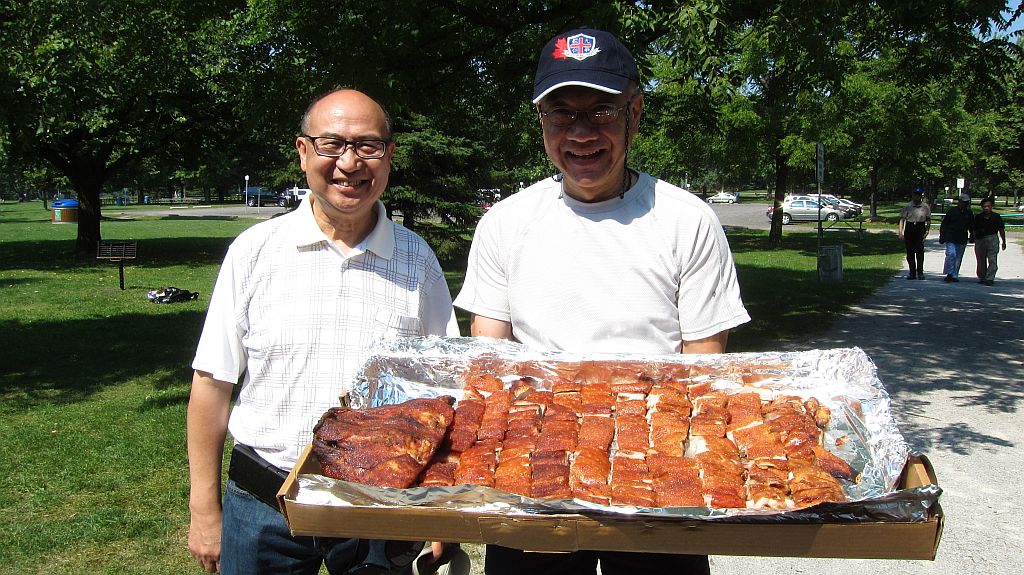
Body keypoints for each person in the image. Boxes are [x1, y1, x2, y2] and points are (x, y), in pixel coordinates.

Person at [454, 28, 750, 575]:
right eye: (561, 114)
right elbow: (491, 360)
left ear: (635, 113)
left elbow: (702, 368)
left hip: (655, 470)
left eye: (601, 111)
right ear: (541, 121)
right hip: (535, 468)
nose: (581, 132)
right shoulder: (505, 223)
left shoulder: (687, 220)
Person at [186, 89, 462, 575]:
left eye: (368, 146)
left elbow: (444, 392)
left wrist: (441, 508)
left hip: (379, 504)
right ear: (303, 151)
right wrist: (204, 509)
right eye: (331, 144)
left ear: (389, 156)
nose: (349, 163)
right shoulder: (253, 253)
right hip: (262, 501)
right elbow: (212, 384)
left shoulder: (418, 261)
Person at [938, 193, 974, 282]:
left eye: (966, 202)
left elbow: (972, 225)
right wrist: (942, 235)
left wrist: (972, 235)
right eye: (963, 202)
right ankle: (949, 273)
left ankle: (955, 274)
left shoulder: (969, 213)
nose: (965, 204)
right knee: (951, 254)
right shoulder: (952, 211)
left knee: (958, 257)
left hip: (962, 237)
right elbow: (944, 224)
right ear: (959, 201)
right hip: (951, 237)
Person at [972, 196, 1007, 286]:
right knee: (980, 260)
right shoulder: (978, 217)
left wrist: (1004, 241)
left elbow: (1001, 229)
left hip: (992, 238)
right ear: (982, 207)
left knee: (992, 259)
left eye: (988, 206)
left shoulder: (996, 217)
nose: (986, 208)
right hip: (981, 239)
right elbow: (974, 229)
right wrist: (974, 239)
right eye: (985, 206)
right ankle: (982, 277)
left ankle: (990, 278)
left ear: (992, 206)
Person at [898, 187, 931, 280]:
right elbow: (902, 219)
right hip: (910, 227)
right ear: (913, 195)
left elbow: (928, 220)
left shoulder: (925, 207)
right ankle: (912, 272)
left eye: (918, 195)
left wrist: (927, 231)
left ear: (921, 196)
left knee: (919, 250)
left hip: (920, 227)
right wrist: (900, 232)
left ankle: (920, 272)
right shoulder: (908, 206)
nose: (916, 197)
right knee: (910, 251)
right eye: (915, 195)